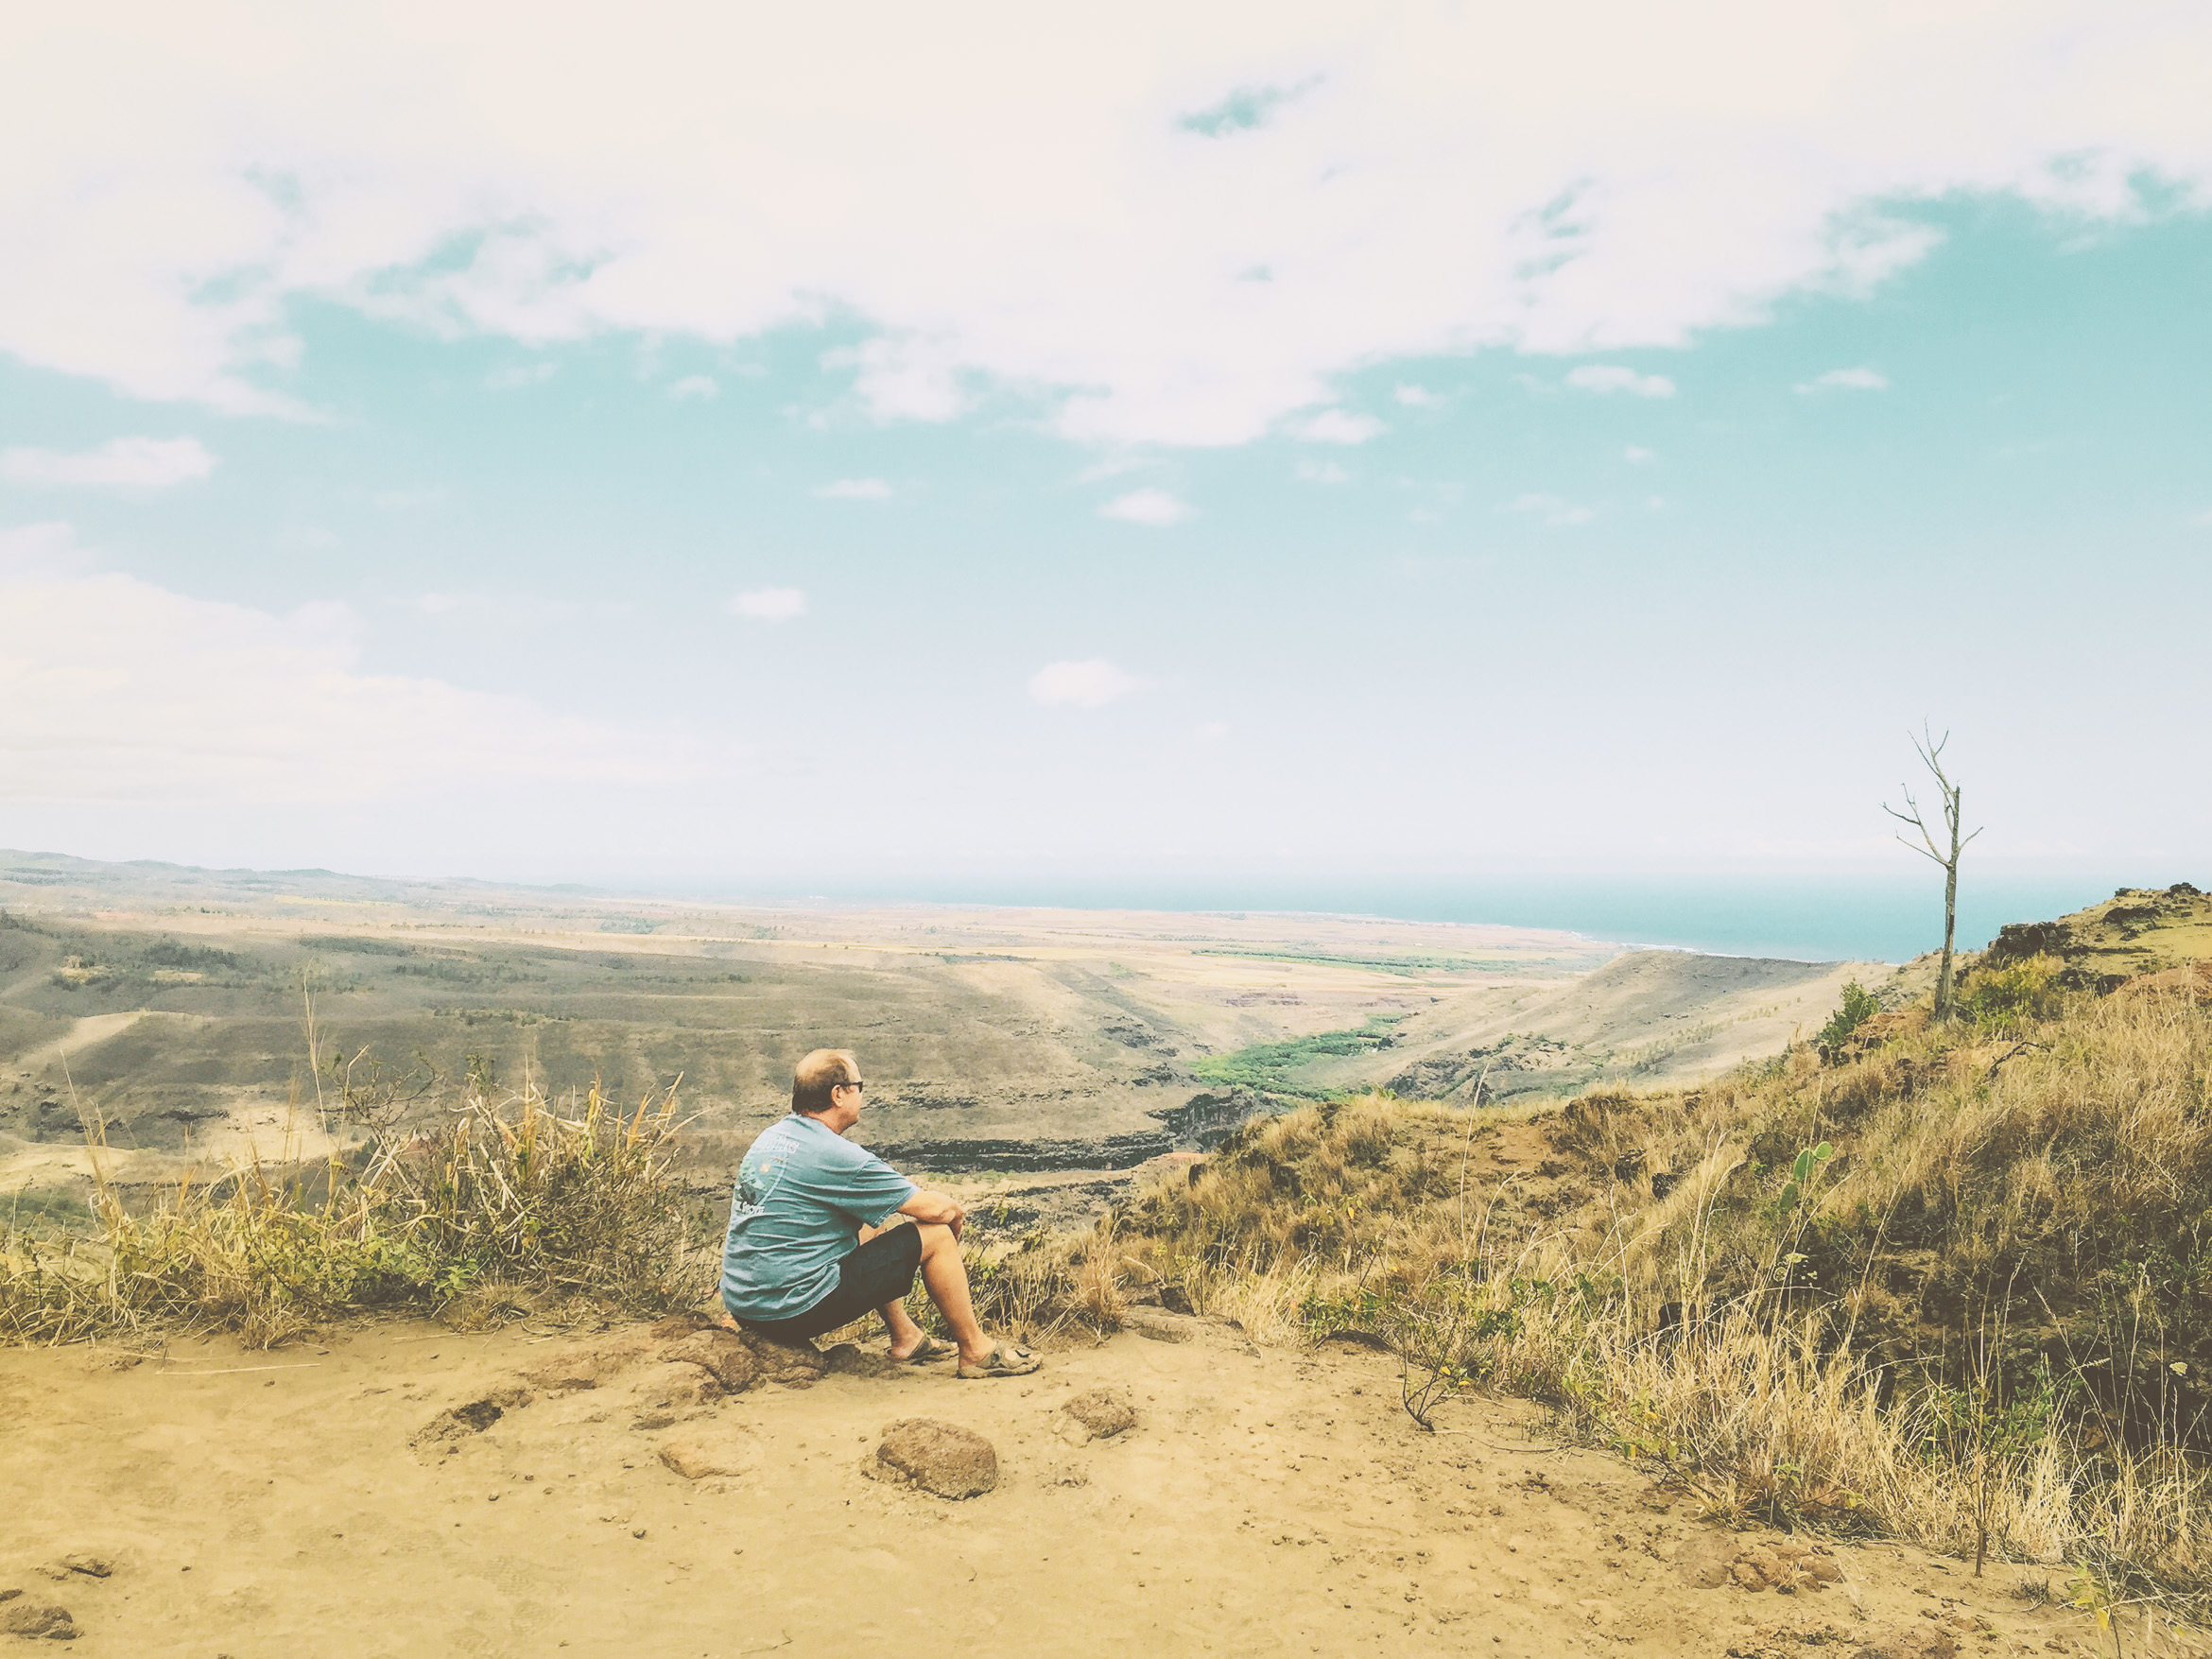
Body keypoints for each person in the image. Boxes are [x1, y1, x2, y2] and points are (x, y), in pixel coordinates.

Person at [720, 1048, 1041, 1379]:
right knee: (936, 1236)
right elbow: (938, 1209)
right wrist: (953, 1223)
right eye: (859, 1085)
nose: (862, 1093)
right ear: (838, 1095)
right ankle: (976, 1350)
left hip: (747, 1306)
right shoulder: (835, 1154)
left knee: (874, 1221)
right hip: (790, 1310)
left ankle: (907, 1337)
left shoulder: (772, 1137)